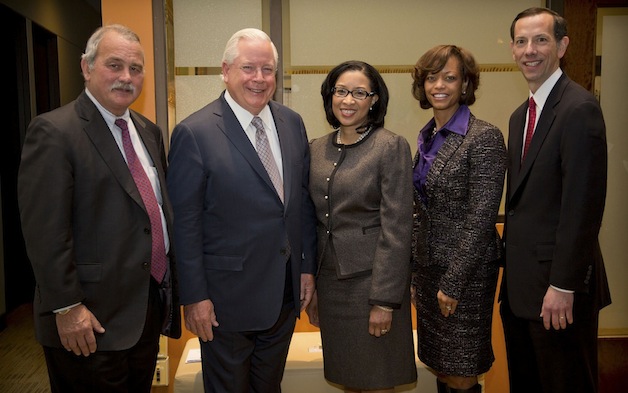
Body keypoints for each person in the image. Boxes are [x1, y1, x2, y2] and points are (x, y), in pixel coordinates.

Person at [17, 24, 181, 393]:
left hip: (142, 312)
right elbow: (45, 233)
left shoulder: (148, 131)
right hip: (87, 321)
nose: (127, 77)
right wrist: (67, 307)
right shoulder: (54, 132)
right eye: (115, 65)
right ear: (86, 67)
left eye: (135, 68)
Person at [166, 28, 317, 393]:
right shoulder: (194, 132)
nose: (259, 78)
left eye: (268, 70)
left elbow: (301, 203)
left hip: (282, 295)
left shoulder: (291, 123)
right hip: (224, 303)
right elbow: (184, 224)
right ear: (226, 70)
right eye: (249, 68)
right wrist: (195, 297)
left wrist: (307, 266)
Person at [500, 7, 611, 393]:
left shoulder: (579, 109)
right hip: (520, 292)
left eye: (541, 40)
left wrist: (563, 285)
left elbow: (584, 207)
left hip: (559, 294)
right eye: (521, 41)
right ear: (513, 50)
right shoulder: (520, 116)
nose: (530, 50)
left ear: (562, 46)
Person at [305, 60, 417, 393]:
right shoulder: (316, 148)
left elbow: (397, 227)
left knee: (377, 381)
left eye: (359, 93)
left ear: (374, 100)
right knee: (348, 381)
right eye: (341, 91)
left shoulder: (390, 146)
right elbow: (312, 220)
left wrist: (384, 300)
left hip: (372, 286)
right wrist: (312, 289)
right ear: (330, 96)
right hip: (331, 287)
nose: (348, 100)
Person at [410, 45, 507, 393]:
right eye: (431, 77)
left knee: (462, 370)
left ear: (465, 83)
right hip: (429, 270)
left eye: (449, 77)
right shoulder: (426, 137)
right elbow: (419, 209)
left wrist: (453, 282)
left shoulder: (484, 138)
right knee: (440, 365)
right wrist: (415, 274)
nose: (439, 85)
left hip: (465, 276)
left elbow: (481, 219)